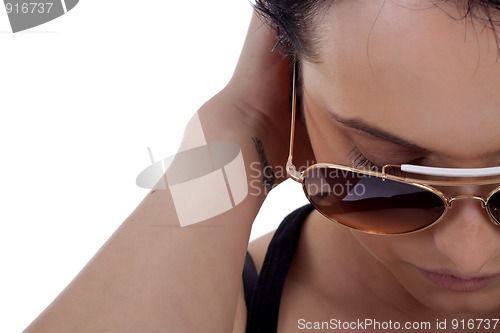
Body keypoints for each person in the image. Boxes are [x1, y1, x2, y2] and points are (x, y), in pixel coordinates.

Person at [25, 0, 500, 332]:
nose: (468, 254)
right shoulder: (226, 307)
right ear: (288, 84)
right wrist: (239, 124)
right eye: (384, 167)